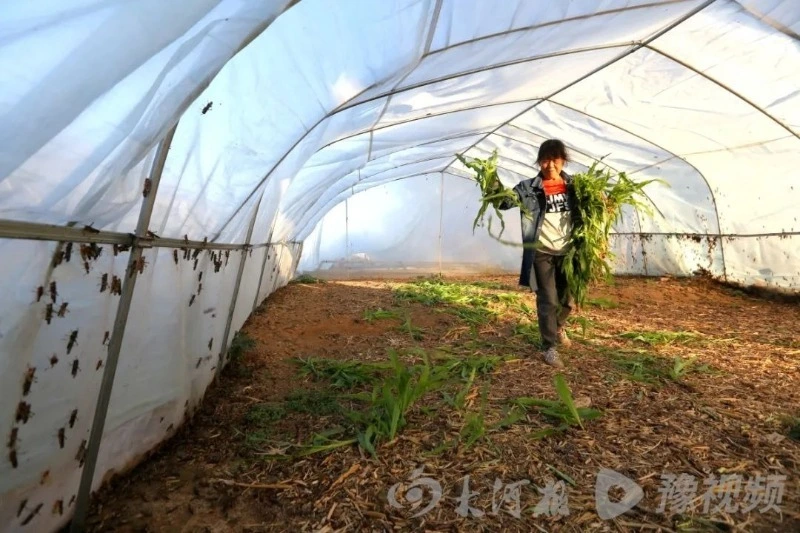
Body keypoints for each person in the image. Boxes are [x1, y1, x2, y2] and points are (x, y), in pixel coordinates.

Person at [496, 139, 578, 368]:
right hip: (542, 250)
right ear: (539, 161)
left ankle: (558, 326)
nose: (550, 165)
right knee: (548, 299)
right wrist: (490, 181)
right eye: (545, 159)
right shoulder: (528, 188)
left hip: (568, 253)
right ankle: (549, 346)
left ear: (563, 160)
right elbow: (503, 203)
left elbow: (593, 211)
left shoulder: (576, 187)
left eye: (555, 159)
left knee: (568, 300)